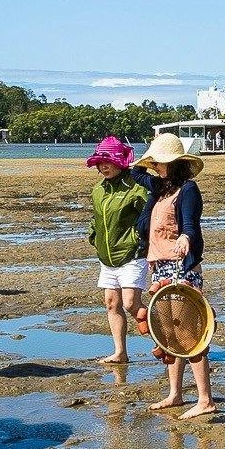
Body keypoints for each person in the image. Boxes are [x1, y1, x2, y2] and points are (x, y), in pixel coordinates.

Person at [139, 132, 217, 418]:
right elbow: (137, 171)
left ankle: (205, 399)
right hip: (160, 267)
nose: (155, 167)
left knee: (190, 332)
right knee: (168, 334)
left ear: (175, 163)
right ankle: (175, 394)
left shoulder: (188, 189)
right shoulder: (160, 190)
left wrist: (185, 238)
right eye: (155, 162)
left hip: (181, 268)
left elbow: (191, 224)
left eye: (160, 162)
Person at [85, 137, 160, 365]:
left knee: (130, 304)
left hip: (132, 255)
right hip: (107, 257)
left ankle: (168, 339)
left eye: (107, 161)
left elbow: (152, 215)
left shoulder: (136, 187)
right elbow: (96, 218)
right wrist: (94, 237)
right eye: (100, 162)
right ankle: (120, 352)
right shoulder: (98, 190)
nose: (103, 166)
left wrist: (145, 243)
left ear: (120, 161)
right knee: (111, 303)